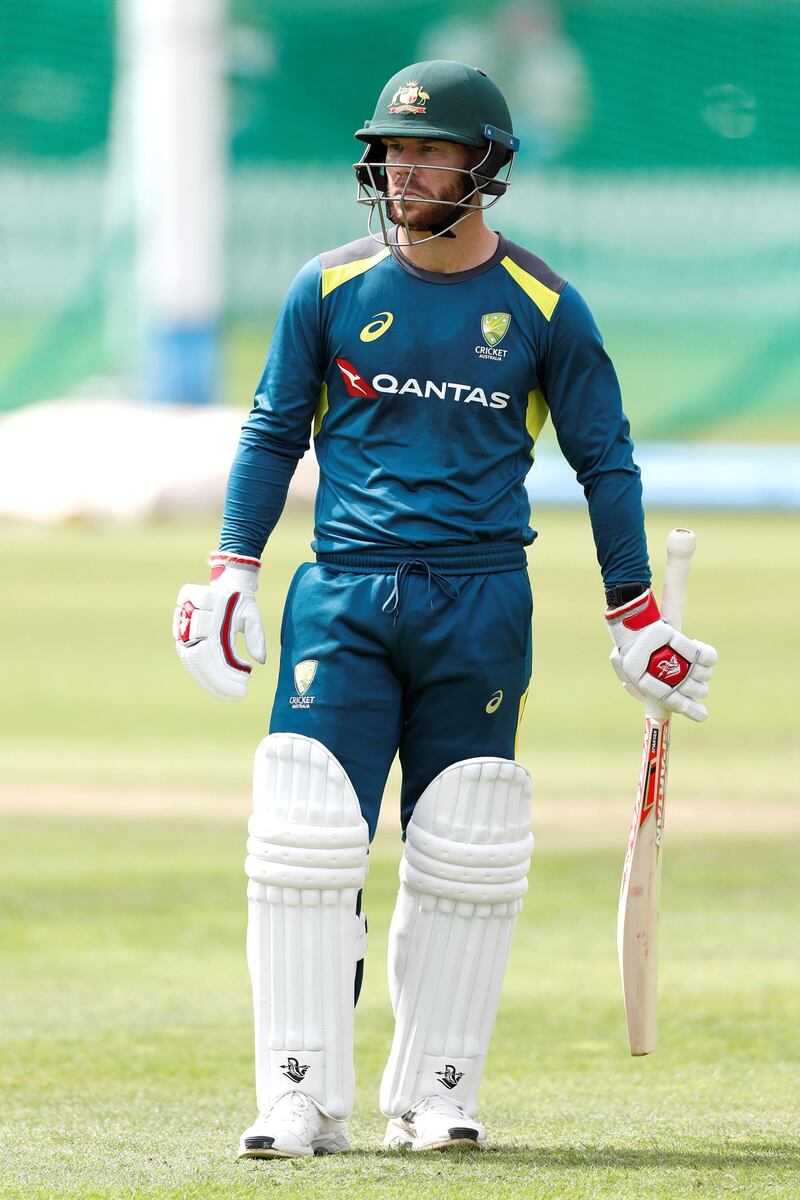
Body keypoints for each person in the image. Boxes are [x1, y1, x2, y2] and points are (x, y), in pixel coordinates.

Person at [172, 60, 717, 1159]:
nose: (402, 168)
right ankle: (296, 1094)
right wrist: (233, 568)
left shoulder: (542, 305)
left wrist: (636, 617)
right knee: (305, 834)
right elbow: (271, 432)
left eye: (427, 150)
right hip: (343, 594)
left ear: (485, 168)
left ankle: (436, 1090)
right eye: (391, 150)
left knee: (465, 836)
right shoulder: (325, 290)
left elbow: (603, 463)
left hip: (479, 600)